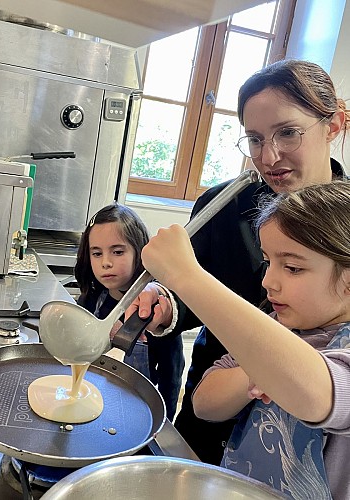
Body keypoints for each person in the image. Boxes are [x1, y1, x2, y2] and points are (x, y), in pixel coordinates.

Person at [126, 59, 349, 464]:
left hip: (313, 439)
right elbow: (192, 290)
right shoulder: (221, 205)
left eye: (288, 133)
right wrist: (167, 305)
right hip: (218, 401)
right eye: (255, 139)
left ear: (333, 125)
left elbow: (328, 389)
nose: (270, 156)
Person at [140, 181, 350, 499]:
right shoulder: (278, 325)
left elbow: (318, 393)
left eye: (292, 268)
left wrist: (187, 276)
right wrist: (256, 374)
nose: (268, 281)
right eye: (268, 262)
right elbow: (204, 404)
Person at [74, 203, 184, 420]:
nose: (106, 262)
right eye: (97, 253)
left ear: (140, 251)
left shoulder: (157, 312)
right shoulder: (90, 300)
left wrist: (164, 422)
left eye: (117, 252)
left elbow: (170, 377)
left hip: (135, 409)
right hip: (91, 399)